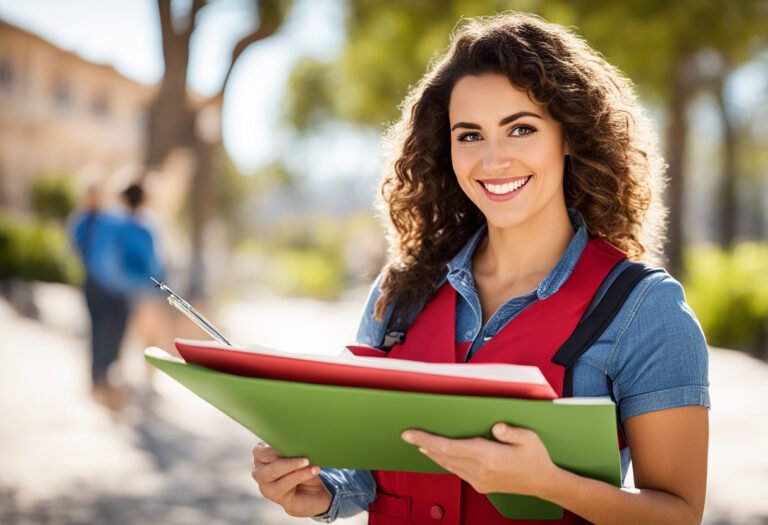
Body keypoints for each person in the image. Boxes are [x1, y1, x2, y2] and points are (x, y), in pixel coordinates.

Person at [251, 12, 709, 525]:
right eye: (469, 135)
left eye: (520, 129)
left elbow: (679, 514)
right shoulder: (402, 291)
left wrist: (548, 484)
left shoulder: (645, 311)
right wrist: (321, 492)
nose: (493, 161)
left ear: (570, 136)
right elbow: (367, 469)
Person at [70, 183, 131, 409]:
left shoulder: (108, 221)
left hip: (111, 285)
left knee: (113, 328)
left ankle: (106, 372)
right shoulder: (81, 222)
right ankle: (97, 376)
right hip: (91, 284)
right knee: (97, 328)